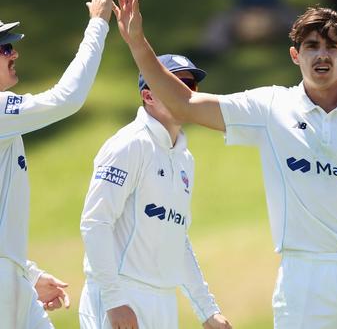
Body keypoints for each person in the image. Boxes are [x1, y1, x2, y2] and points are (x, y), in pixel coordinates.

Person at [114, 0, 337, 329]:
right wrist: (138, 43)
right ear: (295, 54)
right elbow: (185, 103)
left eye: (332, 47)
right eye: (311, 46)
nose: (322, 55)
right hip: (302, 276)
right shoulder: (270, 107)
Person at [79, 54, 231, 329]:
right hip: (120, 298)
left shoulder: (185, 159)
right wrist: (114, 301)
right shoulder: (128, 145)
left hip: (162, 300)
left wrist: (208, 311)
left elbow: (177, 238)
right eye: (173, 84)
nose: (184, 94)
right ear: (148, 96)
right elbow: (95, 223)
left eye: (190, 87)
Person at [0, 0, 114, 328]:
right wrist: (97, 24)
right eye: (4, 48)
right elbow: (66, 99)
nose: (14, 53)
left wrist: (26, 271)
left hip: (12, 274)